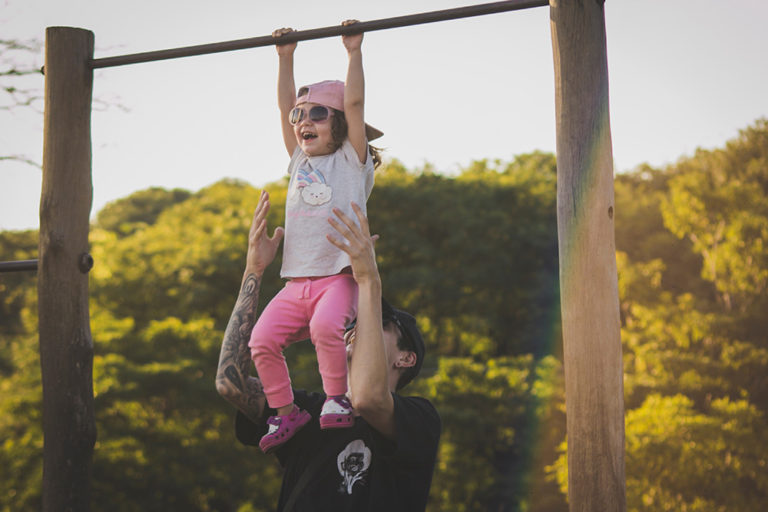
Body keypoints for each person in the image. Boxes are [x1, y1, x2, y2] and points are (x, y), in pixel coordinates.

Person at [215, 191, 441, 511]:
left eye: (380, 321)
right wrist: (254, 270)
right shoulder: (303, 412)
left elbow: (368, 398)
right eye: (358, 317)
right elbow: (230, 382)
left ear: (405, 358)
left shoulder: (420, 420)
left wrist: (368, 281)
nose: (357, 323)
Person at [248, 21, 384, 453]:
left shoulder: (350, 159)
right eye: (300, 117)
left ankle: (336, 398)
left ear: (341, 124)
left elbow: (357, 102)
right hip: (296, 282)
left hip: (337, 277)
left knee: (328, 328)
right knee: (261, 340)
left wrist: (355, 53)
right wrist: (285, 57)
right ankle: (286, 413)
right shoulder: (297, 160)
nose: (304, 121)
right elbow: (284, 104)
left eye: (318, 114)